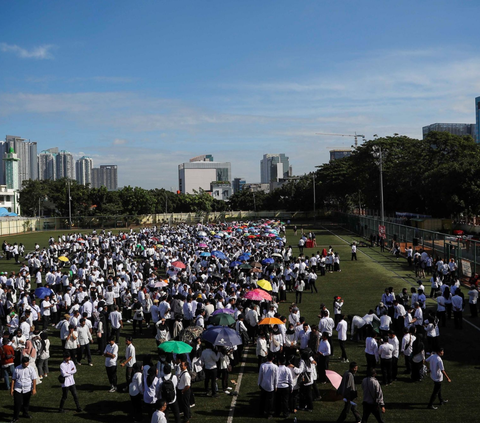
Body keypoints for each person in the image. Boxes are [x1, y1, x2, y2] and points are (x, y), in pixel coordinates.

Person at [11, 356, 37, 422]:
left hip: (27, 389)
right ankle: (15, 417)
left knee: (26, 402)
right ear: (22, 363)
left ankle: (25, 413)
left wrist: (34, 388)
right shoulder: (17, 368)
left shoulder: (31, 369)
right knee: (17, 403)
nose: (26, 364)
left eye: (27, 363)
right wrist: (12, 389)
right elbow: (13, 379)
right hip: (18, 389)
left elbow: (34, 379)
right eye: (24, 363)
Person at [258, 353, 278, 419]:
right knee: (270, 401)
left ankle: (261, 412)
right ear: (273, 358)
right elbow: (276, 378)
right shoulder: (275, 367)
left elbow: (260, 375)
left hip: (263, 385)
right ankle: (268, 413)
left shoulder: (263, 365)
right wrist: (276, 386)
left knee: (262, 399)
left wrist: (259, 383)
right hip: (271, 386)